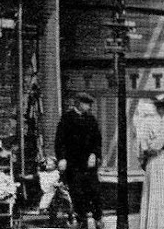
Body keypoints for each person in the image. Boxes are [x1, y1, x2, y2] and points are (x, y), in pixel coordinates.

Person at [55, 92, 103, 229]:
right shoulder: (66, 119)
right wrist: (62, 158)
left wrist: (95, 154)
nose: (89, 107)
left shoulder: (91, 119)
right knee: (77, 192)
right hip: (73, 163)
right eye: (87, 104)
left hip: (89, 164)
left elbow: (97, 140)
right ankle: (82, 220)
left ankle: (98, 217)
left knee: (94, 191)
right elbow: (60, 141)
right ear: (79, 103)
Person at [138, 94, 164, 229]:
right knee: (157, 190)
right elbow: (148, 144)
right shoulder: (159, 122)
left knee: (161, 191)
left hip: (160, 158)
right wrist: (150, 148)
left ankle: (160, 224)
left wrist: (149, 148)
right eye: (160, 106)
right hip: (157, 159)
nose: (161, 109)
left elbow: (150, 145)